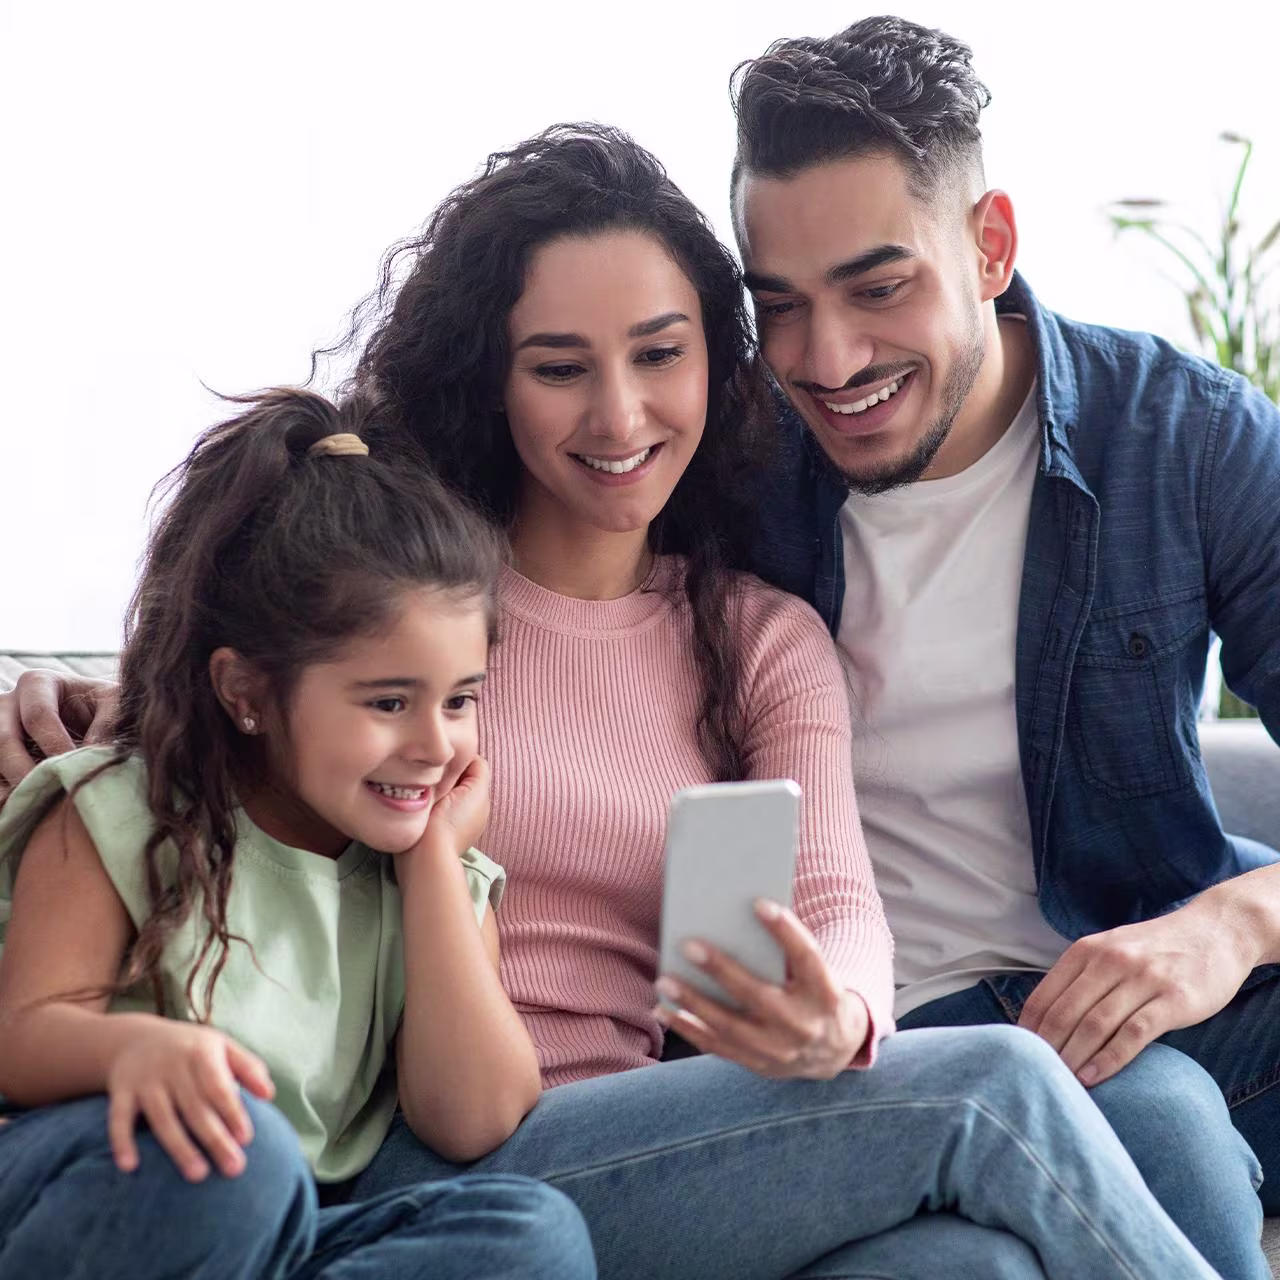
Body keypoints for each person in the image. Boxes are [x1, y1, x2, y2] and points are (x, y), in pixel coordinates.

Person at [0, 129, 1229, 1279]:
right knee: (987, 1090)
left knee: (980, 1262)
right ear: (491, 378)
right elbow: (228, 717)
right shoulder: (405, 608)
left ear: (716, 359)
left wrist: (836, 1013)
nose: (619, 415)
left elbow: (837, 896)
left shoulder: (757, 634)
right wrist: (64, 701)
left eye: (658, 353)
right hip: (437, 1147)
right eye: (558, 368)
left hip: (659, 1134)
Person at [728, 13, 1280, 1277]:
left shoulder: (1178, 438)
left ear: (987, 247)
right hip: (890, 1034)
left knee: (1169, 1086)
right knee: (1165, 1126)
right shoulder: (721, 466)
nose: (826, 359)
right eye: (782, 308)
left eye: (877, 288)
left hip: (1145, 983)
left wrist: (1225, 927)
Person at [0, 388, 596, 1280]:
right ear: (247, 693)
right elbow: (21, 1034)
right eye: (389, 702)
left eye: (461, 700)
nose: (436, 745)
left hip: (288, 1236)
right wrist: (138, 1048)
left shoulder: (435, 873)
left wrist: (434, 863)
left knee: (532, 1235)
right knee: (244, 1162)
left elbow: (474, 1116)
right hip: (108, 1191)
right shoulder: (117, 810)